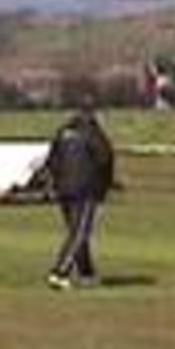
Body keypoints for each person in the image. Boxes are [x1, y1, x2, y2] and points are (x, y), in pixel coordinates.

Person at [38, 101, 116, 290]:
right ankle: (59, 273)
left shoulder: (63, 132)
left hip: (63, 189)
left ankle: (86, 273)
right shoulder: (93, 133)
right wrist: (105, 186)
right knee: (79, 233)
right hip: (85, 188)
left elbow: (51, 161)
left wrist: (53, 183)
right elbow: (105, 158)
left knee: (77, 231)